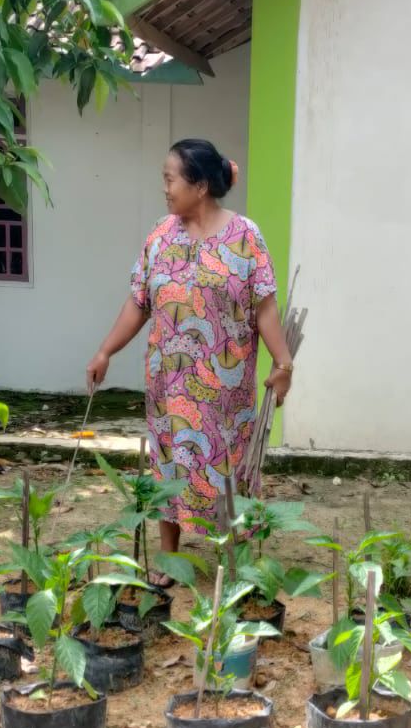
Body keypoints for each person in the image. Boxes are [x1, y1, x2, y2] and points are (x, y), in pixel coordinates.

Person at [86, 139, 295, 583]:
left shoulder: (245, 237)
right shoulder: (161, 235)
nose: (164, 188)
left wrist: (283, 363)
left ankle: (234, 559)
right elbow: (138, 303)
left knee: (228, 467)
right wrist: (106, 350)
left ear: (199, 185)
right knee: (169, 465)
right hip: (168, 386)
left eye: (170, 179)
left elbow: (265, 307)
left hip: (225, 391)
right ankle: (169, 558)